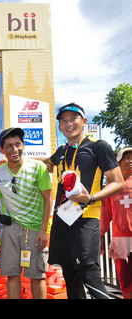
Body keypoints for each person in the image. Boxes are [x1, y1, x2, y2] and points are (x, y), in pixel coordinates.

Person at [42, 103, 124, 299]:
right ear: (60, 127)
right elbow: (46, 162)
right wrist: (15, 161)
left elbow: (118, 182)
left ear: (84, 121)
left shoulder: (98, 146)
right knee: (70, 275)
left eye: (73, 119)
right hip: (63, 218)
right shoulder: (61, 150)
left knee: (89, 275)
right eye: (64, 121)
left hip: (86, 217)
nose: (69, 123)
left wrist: (91, 197)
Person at [0, 127, 52, 299]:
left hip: (35, 230)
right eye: (9, 146)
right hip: (9, 230)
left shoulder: (38, 167)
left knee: (37, 275)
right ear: (2, 150)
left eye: (18, 144)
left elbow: (48, 199)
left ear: (24, 145)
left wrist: (43, 230)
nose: (14, 149)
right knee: (12, 273)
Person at [101, 146, 132, 299]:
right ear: (118, 162)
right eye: (127, 157)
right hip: (120, 239)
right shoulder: (110, 186)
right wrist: (99, 237)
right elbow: (105, 214)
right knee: (124, 279)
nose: (131, 160)